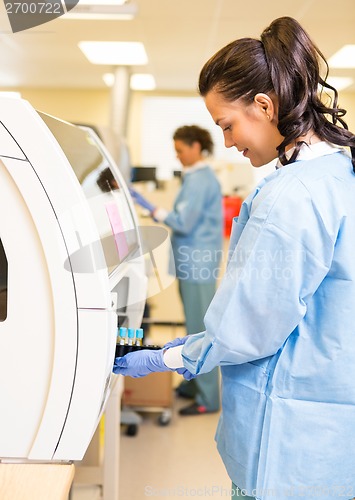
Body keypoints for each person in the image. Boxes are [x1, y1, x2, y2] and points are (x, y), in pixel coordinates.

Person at [114, 16, 355, 500]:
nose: (227, 141)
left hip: (284, 446)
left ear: (264, 106)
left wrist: (167, 356)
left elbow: (249, 326)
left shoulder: (292, 196)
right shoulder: (338, 173)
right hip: (328, 443)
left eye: (228, 125)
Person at [130, 125, 223, 416]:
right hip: (191, 263)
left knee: (200, 331)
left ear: (196, 147)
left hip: (198, 265)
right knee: (192, 327)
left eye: (181, 150)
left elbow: (183, 222)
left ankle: (208, 397)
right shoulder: (194, 178)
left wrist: (152, 208)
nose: (178, 156)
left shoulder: (202, 180)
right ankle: (192, 385)